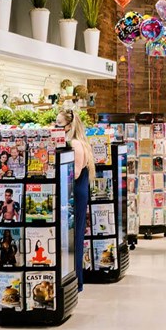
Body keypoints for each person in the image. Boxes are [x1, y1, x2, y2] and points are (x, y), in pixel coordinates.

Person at [57, 107, 96, 292]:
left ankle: (78, 281)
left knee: (77, 235)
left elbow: (76, 172)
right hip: (76, 191)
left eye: (59, 124)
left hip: (76, 192)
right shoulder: (76, 143)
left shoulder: (75, 145)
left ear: (69, 125)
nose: (56, 127)